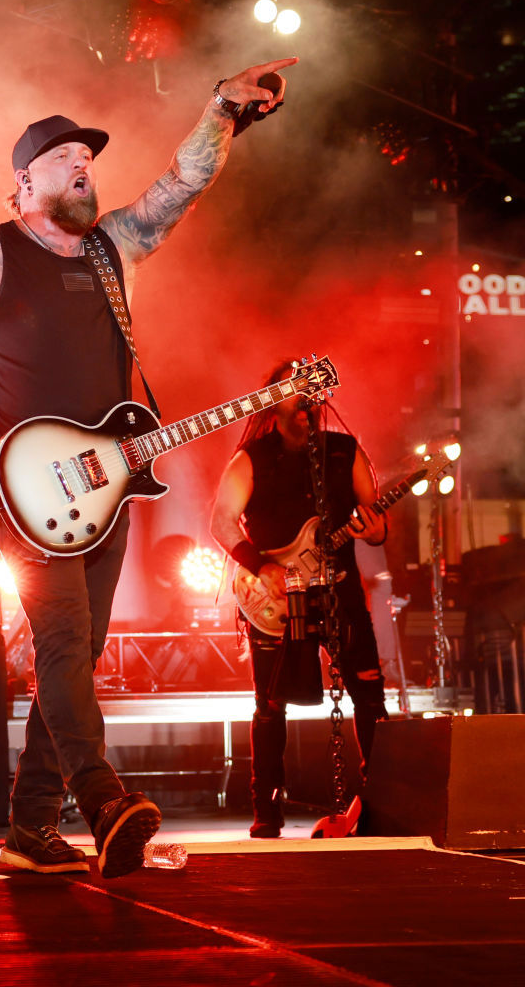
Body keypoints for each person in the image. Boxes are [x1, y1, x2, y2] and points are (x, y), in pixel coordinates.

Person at [0, 57, 296, 877]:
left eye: (89, 159)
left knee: (73, 655)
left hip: (104, 492)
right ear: (23, 183)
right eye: (65, 159)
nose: (85, 167)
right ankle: (103, 798)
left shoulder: (115, 246)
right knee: (66, 639)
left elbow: (178, 186)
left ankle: (30, 824)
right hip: (21, 492)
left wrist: (221, 110)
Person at [210, 359, 389, 838]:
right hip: (274, 596)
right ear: (273, 401)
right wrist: (262, 565)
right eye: (294, 391)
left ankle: (384, 803)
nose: (305, 400)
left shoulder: (344, 450)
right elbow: (222, 522)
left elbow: (374, 519)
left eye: (311, 391)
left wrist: (376, 531)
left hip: (340, 591)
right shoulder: (251, 458)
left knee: (370, 696)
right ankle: (266, 813)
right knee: (269, 706)